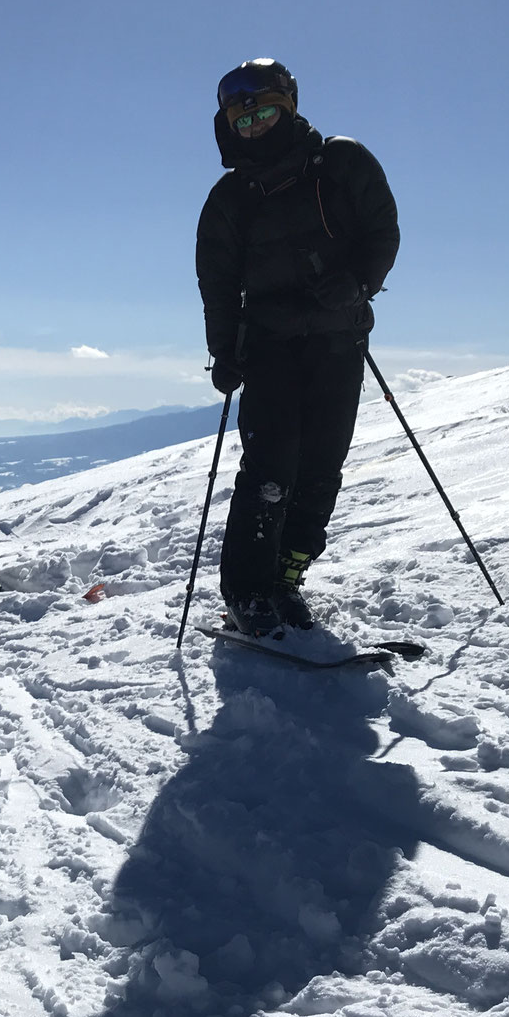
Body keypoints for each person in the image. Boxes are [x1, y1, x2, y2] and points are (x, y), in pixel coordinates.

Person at [195, 57, 400, 635]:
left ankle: (288, 573)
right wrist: (224, 349)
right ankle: (248, 591)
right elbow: (218, 282)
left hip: (337, 338)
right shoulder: (231, 198)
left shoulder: (340, 164)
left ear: (287, 107)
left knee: (321, 463)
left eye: (263, 111)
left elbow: (382, 230)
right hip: (269, 348)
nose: (253, 124)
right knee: (271, 466)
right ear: (227, 125)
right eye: (241, 117)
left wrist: (358, 282)